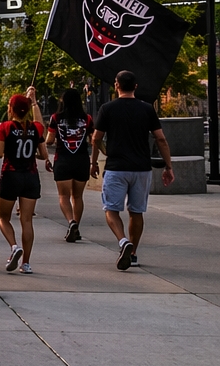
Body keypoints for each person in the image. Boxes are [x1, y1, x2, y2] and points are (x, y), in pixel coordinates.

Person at [91, 69, 175, 271]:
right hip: (141, 169)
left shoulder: (107, 109)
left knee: (111, 209)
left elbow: (96, 138)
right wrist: (168, 166)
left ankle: (122, 242)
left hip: (116, 168)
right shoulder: (147, 109)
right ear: (136, 87)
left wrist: (94, 161)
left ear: (116, 85)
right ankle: (134, 253)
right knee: (136, 212)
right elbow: (160, 138)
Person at [0, 93, 47, 274]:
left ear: (11, 109)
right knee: (27, 220)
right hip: (30, 177)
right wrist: (34, 102)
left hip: (10, 175)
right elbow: (44, 154)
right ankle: (26, 263)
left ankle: (14, 246)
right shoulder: (35, 128)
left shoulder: (5, 127)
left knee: (3, 217)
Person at [48, 87, 93, 243]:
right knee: (78, 196)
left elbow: (49, 140)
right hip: (81, 160)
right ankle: (76, 226)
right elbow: (94, 139)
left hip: (63, 160)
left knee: (64, 196)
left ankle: (70, 222)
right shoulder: (87, 118)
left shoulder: (56, 118)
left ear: (63, 101)